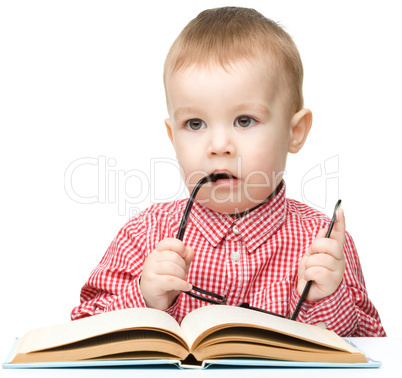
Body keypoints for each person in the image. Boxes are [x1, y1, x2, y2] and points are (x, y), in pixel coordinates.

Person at [71, 7, 385, 337]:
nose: (219, 145)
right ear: (172, 138)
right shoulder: (143, 234)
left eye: (244, 121)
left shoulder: (323, 243)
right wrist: (144, 298)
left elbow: (371, 349)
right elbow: (81, 328)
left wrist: (327, 298)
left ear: (295, 131)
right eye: (195, 124)